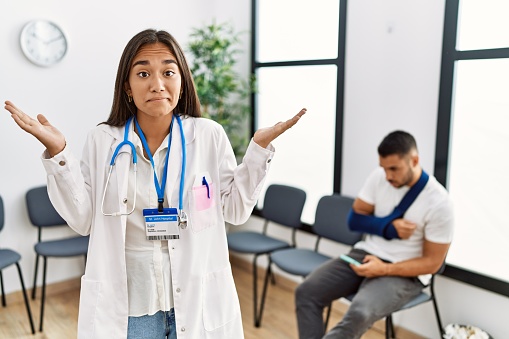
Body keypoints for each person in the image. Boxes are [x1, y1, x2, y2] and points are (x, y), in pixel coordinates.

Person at [4, 29, 306, 339]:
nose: (157, 84)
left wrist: (257, 152)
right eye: (144, 73)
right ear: (128, 87)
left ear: (182, 81)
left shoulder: (208, 136)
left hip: (197, 299)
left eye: (168, 72)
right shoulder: (103, 140)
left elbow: (236, 211)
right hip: (131, 307)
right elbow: (83, 220)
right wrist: (58, 154)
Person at [295, 130, 453, 339]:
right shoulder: (379, 177)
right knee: (306, 292)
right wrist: (387, 227)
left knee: (359, 313)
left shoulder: (440, 203)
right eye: (384, 168)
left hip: (405, 271)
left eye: (394, 169)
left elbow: (432, 263)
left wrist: (384, 269)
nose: (388, 176)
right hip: (366, 253)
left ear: (414, 160)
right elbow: (354, 220)